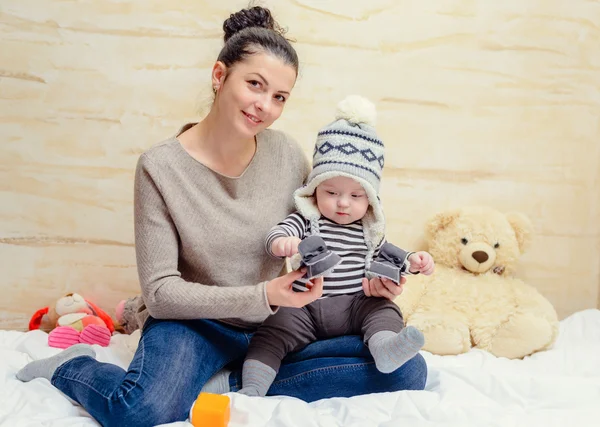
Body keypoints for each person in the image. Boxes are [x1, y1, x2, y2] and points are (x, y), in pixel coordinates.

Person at [15, 6, 427, 426]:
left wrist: (373, 281)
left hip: (274, 327)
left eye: (279, 97)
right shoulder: (160, 167)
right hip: (195, 326)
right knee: (137, 409)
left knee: (406, 369)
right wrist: (265, 295)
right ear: (219, 76)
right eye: (255, 85)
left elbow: (337, 227)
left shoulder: (287, 155)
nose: (264, 106)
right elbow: (160, 292)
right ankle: (71, 366)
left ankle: (225, 385)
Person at [238, 95, 435, 397]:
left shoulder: (369, 229)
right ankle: (251, 387)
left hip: (357, 305)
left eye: (356, 196)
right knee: (273, 330)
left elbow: (391, 256)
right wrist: (284, 244)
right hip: (305, 306)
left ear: (370, 199)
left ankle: (385, 349)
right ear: (315, 188)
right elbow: (276, 235)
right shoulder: (307, 219)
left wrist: (414, 262)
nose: (343, 203)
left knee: (385, 311)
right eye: (331, 191)